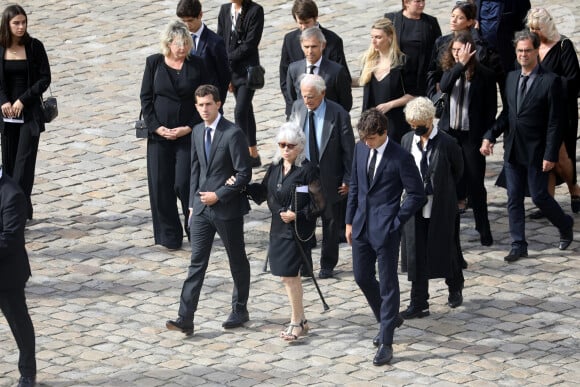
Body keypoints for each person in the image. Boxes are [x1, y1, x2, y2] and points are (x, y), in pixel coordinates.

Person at [480, 30, 574, 263]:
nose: (523, 55)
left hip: (538, 151)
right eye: (519, 51)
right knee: (514, 198)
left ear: (536, 52)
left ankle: (565, 224)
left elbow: (555, 122)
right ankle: (518, 244)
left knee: (540, 197)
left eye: (527, 51)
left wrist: (551, 153)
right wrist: (489, 136)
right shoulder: (511, 78)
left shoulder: (551, 81)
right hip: (513, 149)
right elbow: (508, 114)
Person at [166, 84, 252, 335]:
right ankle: (185, 317)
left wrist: (220, 195)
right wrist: (193, 205)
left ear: (218, 104)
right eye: (200, 105)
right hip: (202, 210)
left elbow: (243, 172)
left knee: (236, 260)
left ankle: (240, 308)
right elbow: (195, 170)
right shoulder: (196, 132)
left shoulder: (232, 133)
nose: (204, 109)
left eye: (208, 104)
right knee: (196, 263)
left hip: (227, 210)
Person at [345, 108, 425, 366]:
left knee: (389, 284)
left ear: (383, 133)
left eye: (371, 138)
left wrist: (396, 221)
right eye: (364, 138)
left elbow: (416, 194)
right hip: (360, 227)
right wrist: (349, 222)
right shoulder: (359, 149)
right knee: (361, 276)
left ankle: (387, 340)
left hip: (386, 229)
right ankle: (389, 317)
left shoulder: (400, 157)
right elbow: (355, 187)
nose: (367, 143)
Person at [236, 123, 325, 341]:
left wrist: (298, 214)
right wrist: (242, 185)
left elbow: (319, 203)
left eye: (290, 145)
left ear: (300, 146)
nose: (286, 149)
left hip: (297, 230)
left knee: (289, 276)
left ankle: (296, 322)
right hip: (278, 230)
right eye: (282, 145)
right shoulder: (275, 167)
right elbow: (265, 192)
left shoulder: (307, 170)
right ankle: (302, 320)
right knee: (287, 276)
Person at [140, 20, 209, 250]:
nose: (184, 49)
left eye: (187, 44)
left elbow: (203, 100)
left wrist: (188, 127)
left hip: (187, 134)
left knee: (184, 183)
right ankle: (169, 236)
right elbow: (146, 98)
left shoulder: (197, 65)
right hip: (159, 136)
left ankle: (195, 228)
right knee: (161, 185)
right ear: (169, 43)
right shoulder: (154, 63)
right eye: (180, 44)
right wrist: (156, 127)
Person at [399, 97, 465, 319]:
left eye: (418, 124)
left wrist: (443, 190)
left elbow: (458, 171)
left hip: (440, 207)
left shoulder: (447, 143)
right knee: (416, 253)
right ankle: (419, 302)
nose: (414, 128)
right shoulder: (407, 140)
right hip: (415, 206)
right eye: (411, 124)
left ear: (429, 119)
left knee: (446, 248)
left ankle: (454, 286)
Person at [290, 74, 354, 279]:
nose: (307, 101)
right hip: (303, 175)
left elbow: (349, 150)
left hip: (329, 176)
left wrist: (348, 179)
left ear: (323, 93)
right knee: (302, 216)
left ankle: (328, 263)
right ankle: (305, 264)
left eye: (311, 97)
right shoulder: (298, 108)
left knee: (331, 221)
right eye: (304, 96)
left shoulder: (338, 114)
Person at [439, 31, 496, 246]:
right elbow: (443, 86)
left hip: (471, 135)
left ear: (470, 51)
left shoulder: (485, 75)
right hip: (449, 134)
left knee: (475, 182)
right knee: (448, 183)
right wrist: (458, 66)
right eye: (454, 51)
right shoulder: (448, 70)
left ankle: (483, 227)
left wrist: (487, 138)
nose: (456, 55)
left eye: (461, 52)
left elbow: (490, 112)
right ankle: (448, 230)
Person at [525, 8, 580, 217]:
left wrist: (547, 86)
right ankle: (548, 202)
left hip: (561, 111)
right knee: (543, 155)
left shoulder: (563, 46)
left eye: (537, 28)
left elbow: (573, 80)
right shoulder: (531, 46)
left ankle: (574, 188)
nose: (533, 32)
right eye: (531, 28)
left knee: (561, 154)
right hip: (539, 111)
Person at [0, 4, 51, 220]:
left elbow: (44, 78)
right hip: (7, 116)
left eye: (23, 22)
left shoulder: (34, 47)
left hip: (29, 114)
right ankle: (15, 209)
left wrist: (23, 100)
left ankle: (17, 212)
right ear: (7, 25)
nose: (21, 27)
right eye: (16, 23)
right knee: (9, 164)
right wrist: (3, 101)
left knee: (24, 165)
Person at [280, 0, 350, 118]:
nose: (303, 27)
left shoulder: (333, 40)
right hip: (298, 112)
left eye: (307, 23)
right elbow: (285, 79)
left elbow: (342, 79)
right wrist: (293, 107)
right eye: (300, 23)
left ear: (315, 18)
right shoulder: (290, 40)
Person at [0, 167, 36, 387]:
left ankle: (28, 372)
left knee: (19, 323)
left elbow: (11, 239)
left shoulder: (12, 194)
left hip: (6, 274)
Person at [217, 0, 264, 167]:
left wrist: (228, 58)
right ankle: (253, 152)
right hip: (231, 71)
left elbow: (250, 44)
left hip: (247, 72)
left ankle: (241, 154)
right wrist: (226, 71)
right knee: (246, 109)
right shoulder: (224, 10)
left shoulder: (255, 10)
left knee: (240, 110)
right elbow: (220, 40)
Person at [360, 18, 415, 144]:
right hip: (371, 122)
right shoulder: (368, 61)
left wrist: (390, 104)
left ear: (390, 38)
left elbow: (412, 95)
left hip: (395, 122)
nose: (373, 41)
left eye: (378, 37)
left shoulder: (403, 62)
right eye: (372, 37)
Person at [285, 27, 352, 117]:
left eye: (314, 46)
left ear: (323, 45)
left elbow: (345, 103)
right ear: (301, 45)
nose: (310, 51)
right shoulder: (293, 69)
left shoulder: (336, 71)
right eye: (306, 47)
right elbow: (291, 99)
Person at [176, 0, 230, 106]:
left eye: (190, 20)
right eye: (183, 21)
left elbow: (224, 76)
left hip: (207, 101)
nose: (187, 25)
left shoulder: (214, 42)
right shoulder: (177, 39)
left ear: (200, 15)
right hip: (186, 102)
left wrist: (217, 103)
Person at [384, 0, 442, 96]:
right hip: (399, 77)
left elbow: (439, 51)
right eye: (418, 1)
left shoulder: (431, 22)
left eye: (423, 1)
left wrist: (438, 79)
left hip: (423, 79)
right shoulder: (391, 20)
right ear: (406, 2)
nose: (422, 4)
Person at [475, 0, 531, 72]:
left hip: (507, 57)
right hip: (483, 56)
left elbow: (525, 28)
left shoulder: (518, 1)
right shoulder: (476, 1)